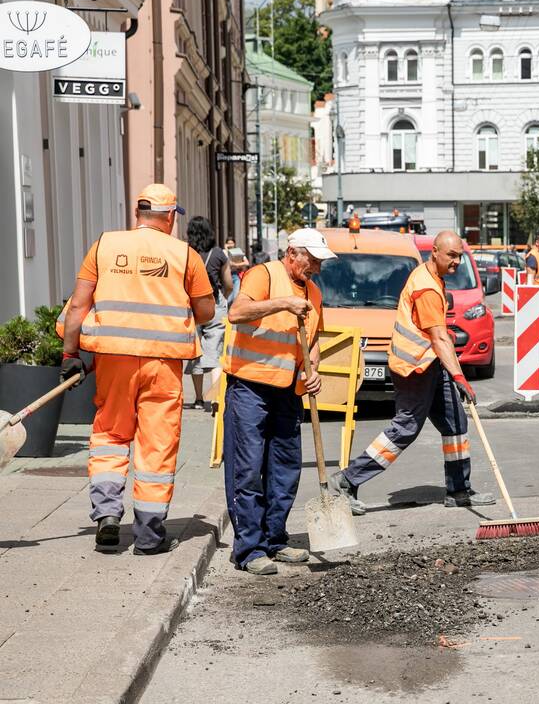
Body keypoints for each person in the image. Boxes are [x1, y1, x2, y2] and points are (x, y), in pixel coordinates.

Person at [58, 184, 216, 554]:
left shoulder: (104, 245)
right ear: (170, 216)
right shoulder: (185, 255)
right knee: (156, 444)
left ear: (138, 214)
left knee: (110, 435)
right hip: (163, 363)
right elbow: (206, 312)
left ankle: (108, 515)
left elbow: (78, 307)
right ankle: (148, 534)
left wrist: (69, 357)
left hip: (112, 360)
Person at [331, 231, 495, 514]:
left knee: (455, 422)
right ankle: (347, 480)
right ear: (435, 252)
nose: (456, 261)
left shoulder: (430, 276)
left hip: (431, 363)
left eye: (459, 256)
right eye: (451, 256)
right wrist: (460, 377)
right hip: (414, 367)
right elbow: (439, 338)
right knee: (405, 428)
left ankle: (458, 489)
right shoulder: (427, 287)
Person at [221, 228, 335, 575]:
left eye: (319, 261)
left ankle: (275, 538)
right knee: (248, 468)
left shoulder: (313, 293)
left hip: (289, 390)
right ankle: (249, 548)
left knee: (284, 469)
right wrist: (283, 303)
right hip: (250, 386)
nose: (315, 266)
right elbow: (237, 312)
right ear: (292, 253)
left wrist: (313, 369)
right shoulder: (264, 275)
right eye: (311, 259)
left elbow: (313, 339)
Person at [185, 217, 232, 412]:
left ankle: (197, 399)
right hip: (214, 304)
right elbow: (228, 283)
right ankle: (216, 399)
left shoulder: (185, 254)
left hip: (190, 306)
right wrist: (223, 297)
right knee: (215, 351)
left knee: (195, 353)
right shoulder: (219, 254)